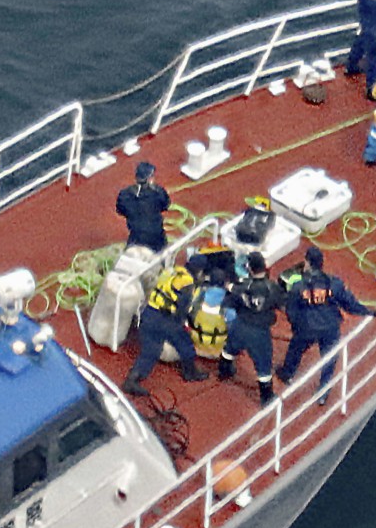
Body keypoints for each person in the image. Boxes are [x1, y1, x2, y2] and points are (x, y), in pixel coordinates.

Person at [276, 246, 376, 406]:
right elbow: (349, 303)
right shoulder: (334, 284)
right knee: (329, 358)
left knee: (296, 348)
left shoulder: (297, 288)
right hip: (330, 326)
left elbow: (291, 311)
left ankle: (287, 373)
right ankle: (323, 391)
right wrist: (368, 312)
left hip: (306, 328)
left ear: (307, 263)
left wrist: (297, 326)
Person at [123, 264, 208, 395]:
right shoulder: (186, 285)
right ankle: (190, 372)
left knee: (151, 351)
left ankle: (132, 380)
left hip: (149, 312)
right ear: (199, 272)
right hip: (165, 319)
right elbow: (182, 311)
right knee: (185, 343)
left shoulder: (173, 272)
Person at [218, 252, 286, 406]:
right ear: (265, 267)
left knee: (229, 348)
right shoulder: (273, 288)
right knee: (263, 364)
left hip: (240, 325)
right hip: (259, 332)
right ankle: (266, 397)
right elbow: (283, 305)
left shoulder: (242, 286)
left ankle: (224, 371)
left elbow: (230, 298)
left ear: (249, 268)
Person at [115, 161, 170, 251]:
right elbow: (165, 205)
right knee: (161, 255)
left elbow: (120, 210)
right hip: (156, 235)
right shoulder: (158, 193)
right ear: (149, 178)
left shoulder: (124, 194)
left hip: (136, 235)